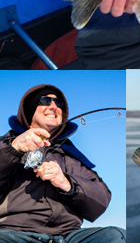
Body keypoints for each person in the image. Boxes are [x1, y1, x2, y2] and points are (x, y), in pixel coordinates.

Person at [0, 84, 126, 243]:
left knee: (116, 236)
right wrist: (14, 148)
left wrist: (67, 183)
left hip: (69, 236)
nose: (53, 106)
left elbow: (101, 200)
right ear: (29, 109)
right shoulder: (5, 144)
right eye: (45, 100)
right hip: (13, 233)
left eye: (58, 103)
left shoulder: (72, 155)